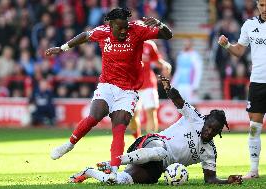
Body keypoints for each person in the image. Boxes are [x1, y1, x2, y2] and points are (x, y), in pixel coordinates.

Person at [45, 7, 173, 177]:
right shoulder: (102, 32)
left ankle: (113, 171)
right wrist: (62, 48)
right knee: (94, 117)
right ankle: (69, 144)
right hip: (107, 85)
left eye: (125, 27)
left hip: (128, 91)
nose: (123, 31)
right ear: (110, 24)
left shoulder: (137, 29)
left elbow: (168, 35)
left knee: (118, 128)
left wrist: (160, 24)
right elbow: (84, 36)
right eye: (119, 27)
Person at [68, 75, 243, 185]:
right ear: (205, 121)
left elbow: (210, 179)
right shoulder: (195, 118)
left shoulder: (210, 152)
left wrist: (226, 181)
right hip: (150, 143)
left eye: (214, 131)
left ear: (219, 133)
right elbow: (178, 101)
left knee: (118, 181)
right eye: (209, 127)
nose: (209, 132)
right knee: (160, 151)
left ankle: (89, 172)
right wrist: (168, 89)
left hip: (158, 167)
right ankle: (112, 162)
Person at [218, 0, 266, 180]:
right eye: (262, 5)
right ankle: (253, 170)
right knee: (254, 127)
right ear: (257, 5)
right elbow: (239, 50)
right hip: (258, 82)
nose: (265, 8)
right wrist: (226, 46)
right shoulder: (249, 25)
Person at [130, 40, 171, 138]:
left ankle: (151, 142)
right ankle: (137, 141)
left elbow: (156, 60)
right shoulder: (127, 43)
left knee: (151, 113)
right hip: (133, 85)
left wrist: (165, 65)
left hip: (149, 84)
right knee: (132, 116)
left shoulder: (149, 45)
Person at [172, 38, 203, 103]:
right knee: (180, 106)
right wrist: (173, 83)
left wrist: (195, 85)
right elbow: (178, 71)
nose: (186, 45)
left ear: (191, 44)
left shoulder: (195, 56)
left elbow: (198, 71)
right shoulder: (180, 55)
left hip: (190, 85)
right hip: (180, 85)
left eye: (187, 43)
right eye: (185, 43)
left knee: (191, 106)